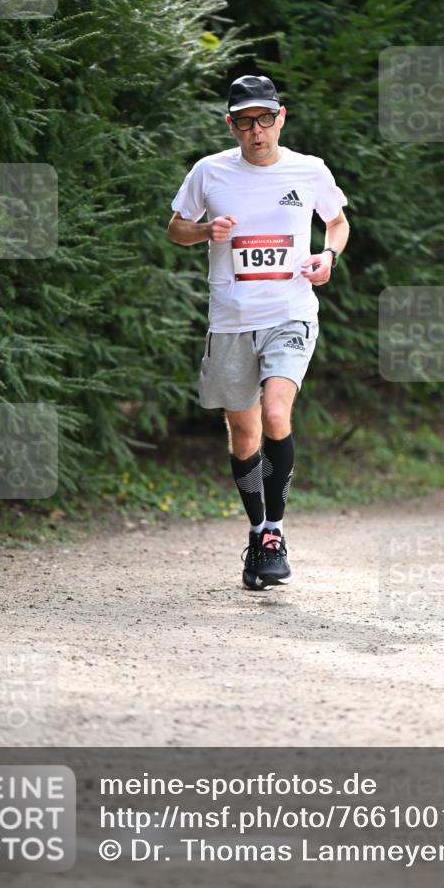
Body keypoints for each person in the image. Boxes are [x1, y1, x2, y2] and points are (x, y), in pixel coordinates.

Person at [167, 75, 349, 590]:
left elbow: (337, 223)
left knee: (275, 412)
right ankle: (255, 531)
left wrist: (327, 255)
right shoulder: (210, 172)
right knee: (245, 434)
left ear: (281, 117)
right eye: (245, 122)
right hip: (230, 321)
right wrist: (205, 230)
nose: (256, 130)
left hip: (291, 313)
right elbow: (175, 228)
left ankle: (274, 532)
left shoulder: (308, 170)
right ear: (232, 125)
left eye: (264, 119)